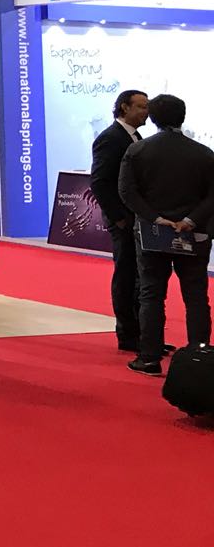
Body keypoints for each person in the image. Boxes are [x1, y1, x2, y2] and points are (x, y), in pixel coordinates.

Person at [117, 93, 214, 377]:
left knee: (151, 295)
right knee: (196, 296)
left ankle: (149, 358)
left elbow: (126, 192)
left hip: (152, 233)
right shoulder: (204, 153)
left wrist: (155, 218)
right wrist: (190, 220)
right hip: (194, 233)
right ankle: (199, 357)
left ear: (153, 118)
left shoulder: (137, 151)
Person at [90, 89, 151, 354]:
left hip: (139, 218)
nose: (146, 112)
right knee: (126, 275)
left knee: (140, 277)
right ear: (125, 107)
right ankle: (128, 334)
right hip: (124, 220)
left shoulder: (136, 137)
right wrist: (118, 218)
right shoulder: (110, 139)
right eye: (141, 106)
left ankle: (144, 333)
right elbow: (99, 182)